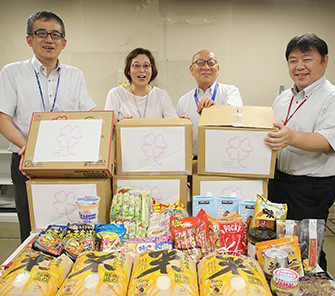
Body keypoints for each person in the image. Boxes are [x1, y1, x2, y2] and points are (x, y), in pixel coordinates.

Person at [0, 11, 96, 242]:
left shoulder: (75, 75)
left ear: (64, 42)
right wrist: (28, 148)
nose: (49, 40)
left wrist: (116, 123)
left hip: (68, 163)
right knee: (33, 227)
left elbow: (90, 115)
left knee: (71, 223)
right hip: (26, 162)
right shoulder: (12, 73)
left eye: (55, 35)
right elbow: (3, 118)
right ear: (29, 39)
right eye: (41, 33)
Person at [265, 33, 335, 271]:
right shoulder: (284, 97)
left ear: (324, 61)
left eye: (307, 59)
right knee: (278, 244)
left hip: (311, 188)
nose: (299, 66)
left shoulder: (331, 97)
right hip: (279, 182)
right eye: (293, 60)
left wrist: (290, 137)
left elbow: (327, 140)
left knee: (307, 249)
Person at [176, 50, 243, 156]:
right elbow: (178, 138)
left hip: (224, 158)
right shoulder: (183, 101)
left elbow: (236, 122)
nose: (206, 67)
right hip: (194, 160)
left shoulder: (230, 92)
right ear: (192, 70)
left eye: (211, 63)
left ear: (218, 69)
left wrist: (214, 113)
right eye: (200, 62)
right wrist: (181, 128)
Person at [105, 47, 178, 119]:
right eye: (136, 65)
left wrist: (183, 122)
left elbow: (174, 125)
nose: (142, 70)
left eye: (146, 65)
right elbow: (107, 126)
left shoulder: (162, 95)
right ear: (128, 70)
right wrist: (121, 123)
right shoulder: (116, 94)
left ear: (152, 70)